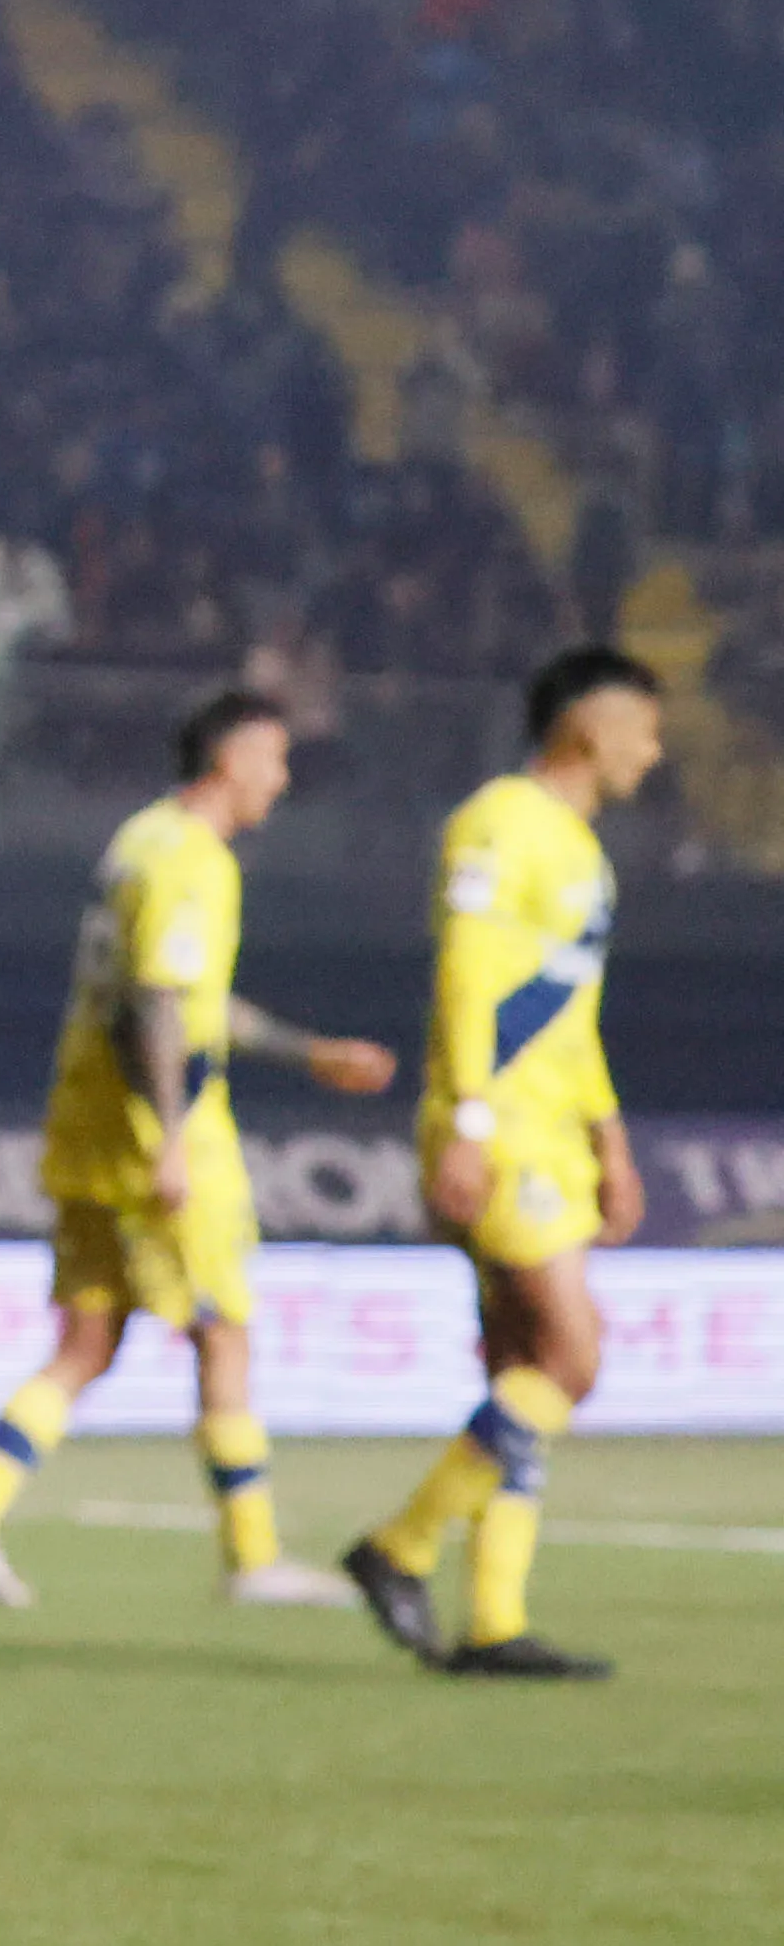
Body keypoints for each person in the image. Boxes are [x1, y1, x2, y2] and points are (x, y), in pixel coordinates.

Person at [0, 690, 396, 1608]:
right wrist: (172, 1139)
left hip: (84, 1121)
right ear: (231, 757)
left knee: (87, 1341)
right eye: (274, 758)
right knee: (224, 1332)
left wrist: (307, 1051)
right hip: (155, 1133)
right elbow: (160, 1009)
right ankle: (252, 1558)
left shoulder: (138, 839)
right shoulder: (194, 862)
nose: (282, 779)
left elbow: (183, 997)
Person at [344, 646, 661, 1679]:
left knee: (517, 1367)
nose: (652, 755)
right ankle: (397, 1547)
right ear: (585, 727)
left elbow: (572, 1019)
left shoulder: (581, 851)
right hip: (499, 1127)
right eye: (641, 732)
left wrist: (608, 1138)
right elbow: (466, 976)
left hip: (546, 1127)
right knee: (571, 1357)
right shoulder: (497, 824)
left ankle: (490, 1620)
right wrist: (470, 1124)